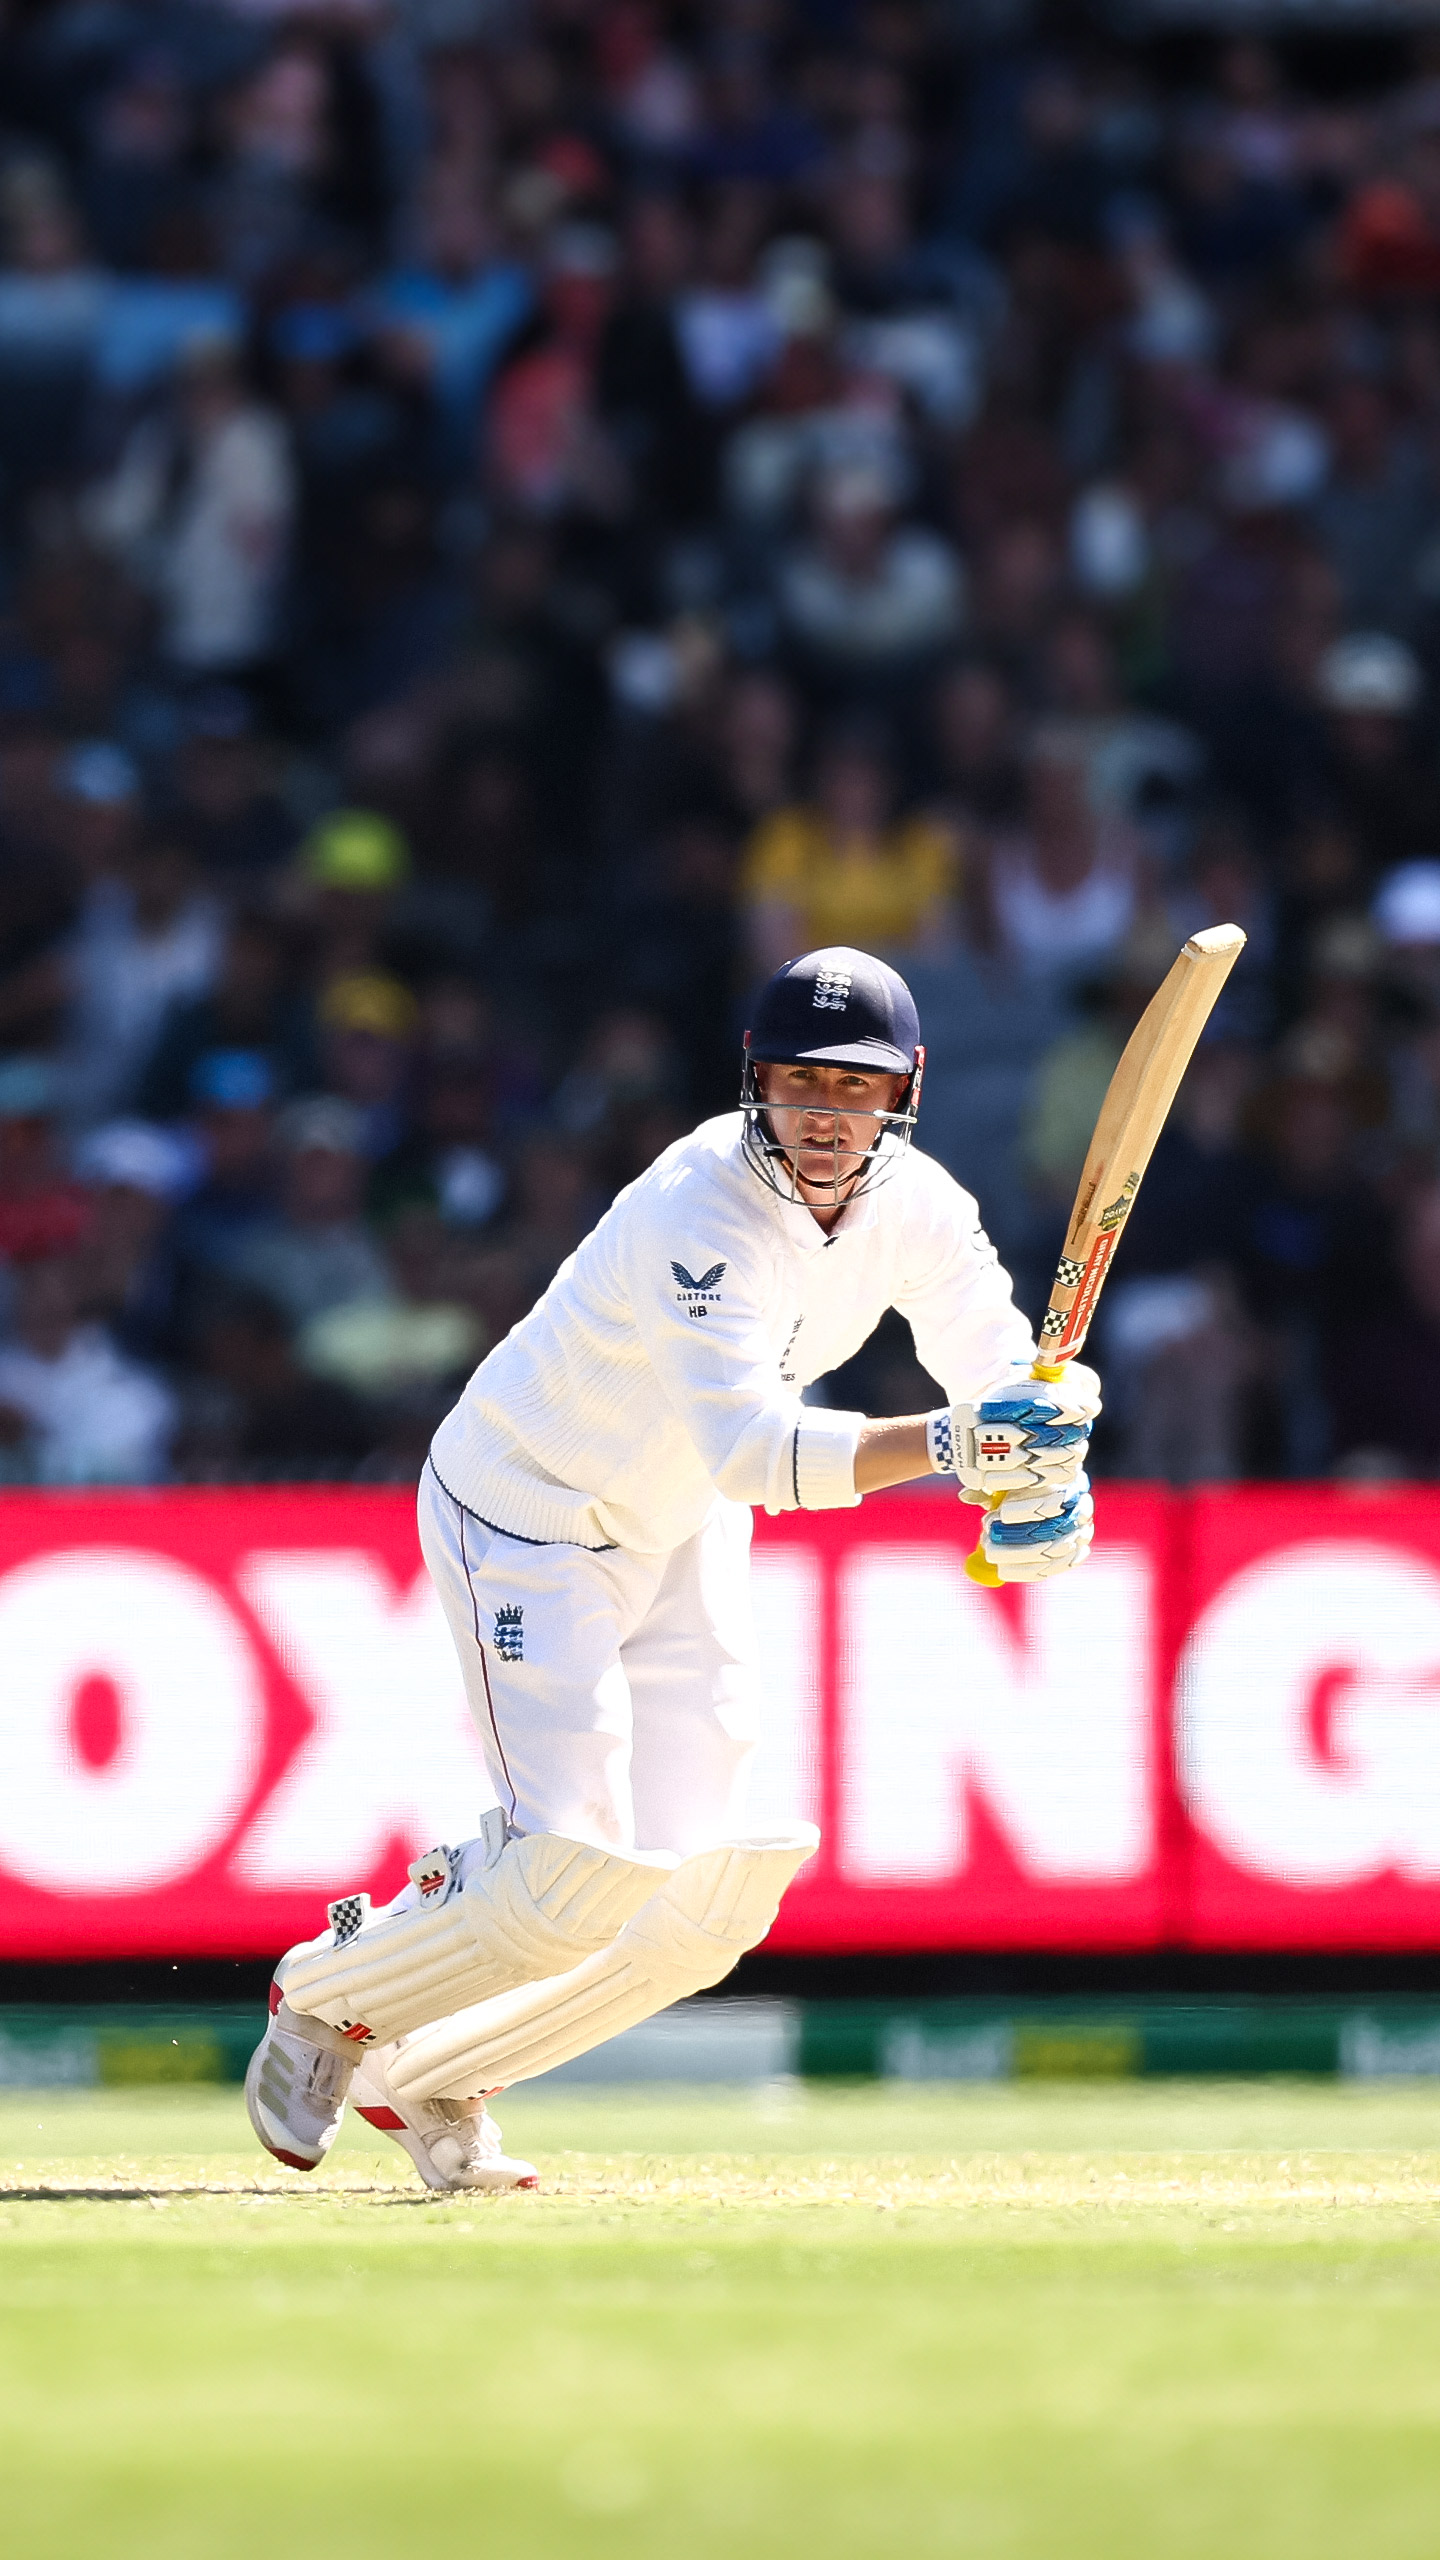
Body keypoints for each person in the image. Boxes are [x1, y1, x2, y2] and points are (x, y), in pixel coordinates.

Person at [246, 947, 1101, 2193]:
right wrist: (963, 1446)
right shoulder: (696, 1207)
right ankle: (322, 1997)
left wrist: (1046, 1471)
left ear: (905, 1090)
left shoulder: (922, 1204)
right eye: (799, 1083)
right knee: (564, 1879)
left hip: (677, 1523)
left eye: (854, 1090)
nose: (823, 1116)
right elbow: (759, 1451)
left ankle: (438, 2076)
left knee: (712, 1898)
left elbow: (997, 1367)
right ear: (754, 1083)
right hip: (529, 1513)